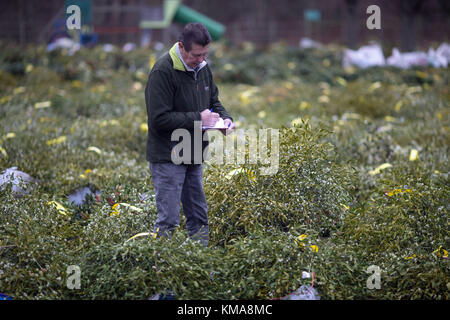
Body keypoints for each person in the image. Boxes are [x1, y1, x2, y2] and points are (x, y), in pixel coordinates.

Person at [145, 23, 235, 247]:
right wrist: (198, 119)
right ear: (182, 47)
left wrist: (225, 118)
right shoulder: (163, 71)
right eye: (197, 54)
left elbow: (213, 100)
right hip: (168, 156)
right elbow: (158, 119)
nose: (201, 59)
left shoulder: (203, 68)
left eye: (205, 54)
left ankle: (199, 263)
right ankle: (161, 267)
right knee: (169, 220)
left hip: (194, 153)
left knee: (198, 215)